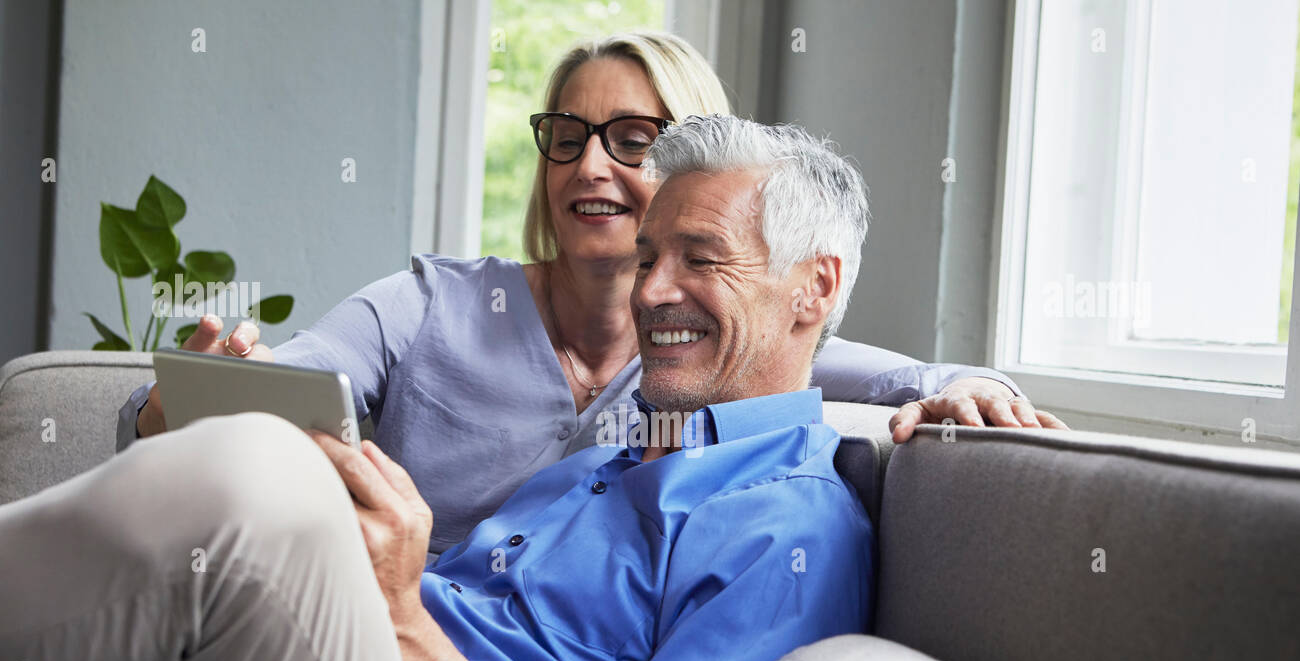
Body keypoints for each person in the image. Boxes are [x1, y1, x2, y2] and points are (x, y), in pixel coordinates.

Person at [5, 115, 917, 661]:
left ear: (813, 289)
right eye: (648, 257)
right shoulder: (596, 466)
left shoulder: (786, 528)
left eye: (700, 259)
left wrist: (397, 621)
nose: (650, 291)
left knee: (267, 473)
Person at [117, 31, 1058, 562]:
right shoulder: (423, 304)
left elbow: (908, 373)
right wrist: (193, 391)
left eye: (632, 138)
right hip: (381, 620)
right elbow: (277, 386)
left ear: (697, 163)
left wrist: (974, 388)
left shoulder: (705, 347)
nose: (590, 165)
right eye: (566, 135)